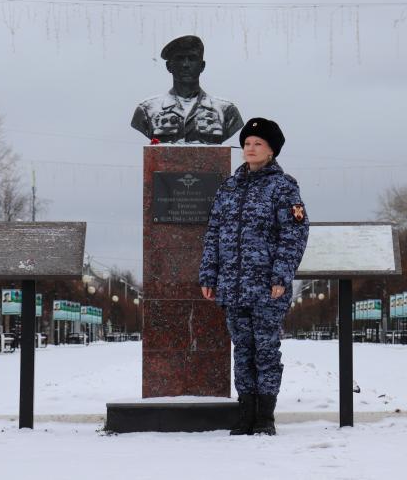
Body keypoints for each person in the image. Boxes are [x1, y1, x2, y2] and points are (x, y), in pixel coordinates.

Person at [199, 117, 309, 436]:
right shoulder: (229, 187)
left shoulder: (283, 186)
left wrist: (281, 276)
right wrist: (209, 275)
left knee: (266, 350)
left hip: (266, 288)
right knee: (242, 349)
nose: (250, 148)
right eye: (247, 143)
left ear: (271, 150)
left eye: (257, 143)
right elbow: (214, 233)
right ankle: (245, 413)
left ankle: (265, 416)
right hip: (232, 287)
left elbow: (294, 233)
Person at [131, 35, 244, 144]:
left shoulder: (227, 112)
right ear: (169, 66)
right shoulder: (146, 110)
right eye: (180, 59)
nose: (186, 64)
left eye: (192, 59)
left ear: (202, 66)